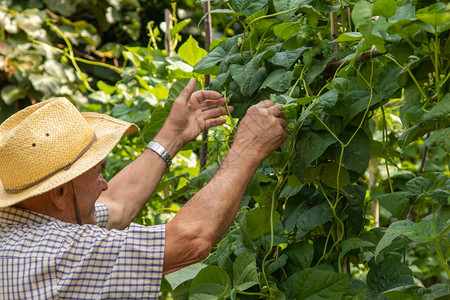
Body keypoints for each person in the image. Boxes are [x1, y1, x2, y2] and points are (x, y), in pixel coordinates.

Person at [0, 79, 287, 299]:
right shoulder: (51, 256)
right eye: (96, 174)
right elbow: (190, 240)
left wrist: (172, 136)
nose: (104, 185)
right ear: (59, 193)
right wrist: (248, 147)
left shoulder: (22, 218)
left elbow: (117, 205)